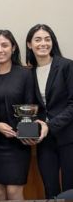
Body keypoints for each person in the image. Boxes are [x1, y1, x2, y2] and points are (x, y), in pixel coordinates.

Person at [0, 30, 48, 201]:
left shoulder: (25, 74)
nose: (0, 49)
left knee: (13, 191)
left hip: (19, 143)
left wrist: (28, 133)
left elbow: (32, 105)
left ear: (13, 48)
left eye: (4, 45)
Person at [26, 24, 73, 199]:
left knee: (70, 190)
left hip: (68, 138)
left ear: (52, 42)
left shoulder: (67, 66)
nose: (43, 43)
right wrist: (28, 131)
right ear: (29, 44)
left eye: (47, 39)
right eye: (38, 39)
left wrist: (50, 125)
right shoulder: (29, 73)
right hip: (44, 141)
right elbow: (30, 108)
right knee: (50, 188)